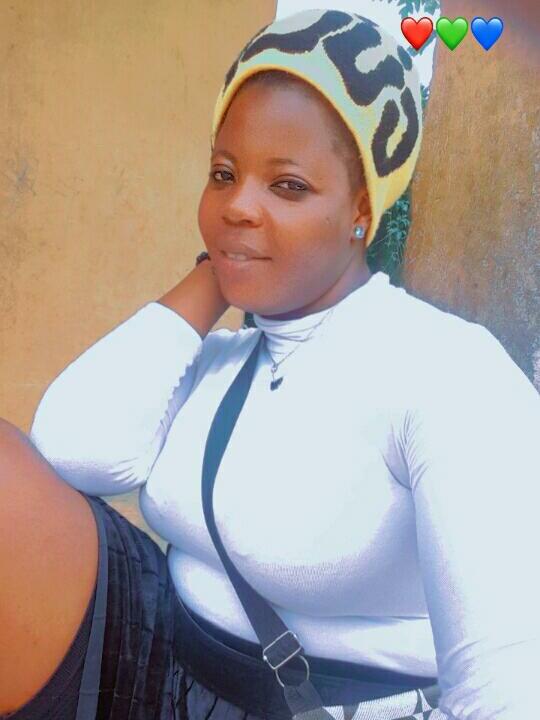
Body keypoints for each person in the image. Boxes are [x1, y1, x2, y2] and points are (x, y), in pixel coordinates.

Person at [1, 8, 539, 720]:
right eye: (223, 175)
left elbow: (509, 689)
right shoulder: (217, 358)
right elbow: (72, 449)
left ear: (361, 208)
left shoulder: (447, 372)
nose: (238, 206)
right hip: (160, 655)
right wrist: (213, 280)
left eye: (287, 186)